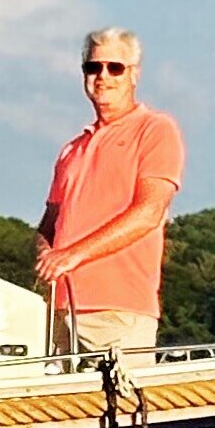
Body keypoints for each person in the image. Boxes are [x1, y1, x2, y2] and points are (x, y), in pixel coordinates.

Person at [35, 27, 184, 356]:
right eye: (93, 67)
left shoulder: (155, 130)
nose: (103, 76)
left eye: (114, 67)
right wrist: (46, 253)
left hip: (120, 314)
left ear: (134, 74)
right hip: (60, 314)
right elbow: (50, 223)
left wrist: (73, 255)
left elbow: (149, 213)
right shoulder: (71, 149)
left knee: (123, 406)